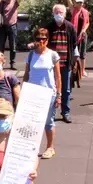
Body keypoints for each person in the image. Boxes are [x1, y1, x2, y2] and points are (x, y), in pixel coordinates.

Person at [23, 28, 62, 159]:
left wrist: (59, 95)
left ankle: (50, 147)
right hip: (32, 93)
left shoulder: (52, 55)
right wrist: (22, 91)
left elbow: (58, 77)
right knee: (32, 122)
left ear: (47, 39)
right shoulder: (30, 55)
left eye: (44, 38)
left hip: (48, 94)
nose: (41, 41)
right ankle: (32, 147)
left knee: (48, 122)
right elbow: (26, 74)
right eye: (38, 38)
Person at [46, 4, 78, 124]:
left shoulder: (70, 27)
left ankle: (66, 112)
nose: (59, 15)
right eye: (56, 12)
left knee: (66, 89)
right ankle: (50, 112)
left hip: (65, 63)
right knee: (50, 88)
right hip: (51, 64)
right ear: (53, 13)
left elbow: (74, 43)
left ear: (65, 14)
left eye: (61, 13)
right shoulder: (48, 27)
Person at [0, 0, 27, 70]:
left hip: (12, 26)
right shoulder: (2, 3)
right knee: (0, 46)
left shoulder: (15, 2)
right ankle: (0, 62)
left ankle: (13, 63)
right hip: (2, 27)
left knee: (13, 46)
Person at [63, 0, 90, 77]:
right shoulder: (73, 9)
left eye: (81, 2)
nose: (79, 4)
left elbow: (87, 23)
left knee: (82, 54)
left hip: (82, 35)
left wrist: (83, 30)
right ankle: (72, 69)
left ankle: (82, 70)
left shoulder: (85, 12)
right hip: (73, 34)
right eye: (78, 2)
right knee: (73, 52)